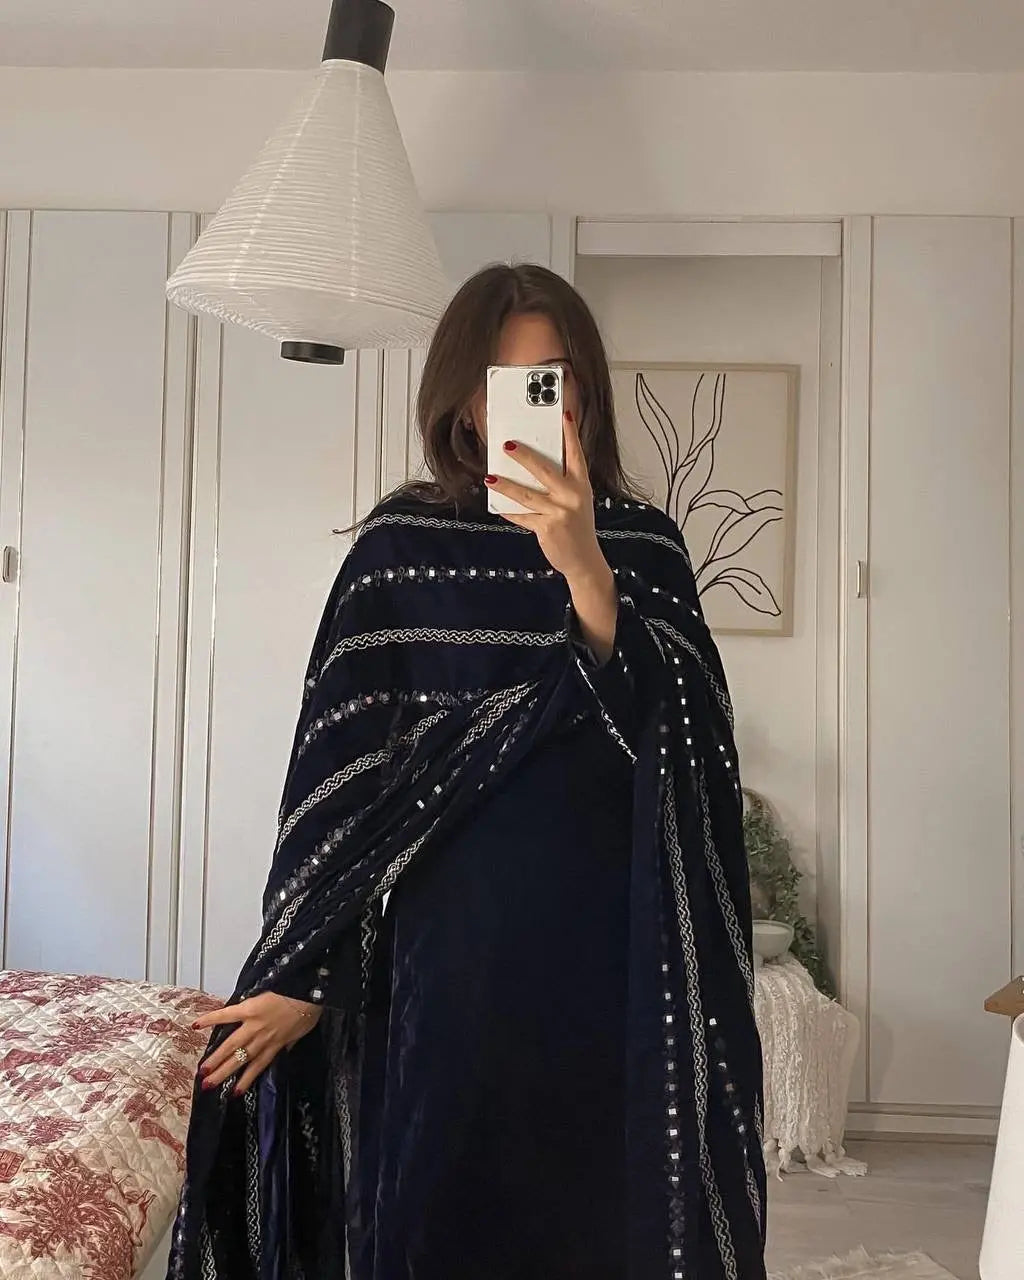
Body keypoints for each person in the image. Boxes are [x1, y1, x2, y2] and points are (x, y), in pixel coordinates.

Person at [167, 265, 766, 1280]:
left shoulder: (646, 547)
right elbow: (341, 782)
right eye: (508, 380)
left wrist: (586, 570)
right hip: (444, 969)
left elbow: (687, 752)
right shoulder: (400, 551)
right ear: (463, 399)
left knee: (594, 1223)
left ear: (586, 391)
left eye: (555, 377)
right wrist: (307, 973)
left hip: (610, 961)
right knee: (440, 1215)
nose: (537, 403)